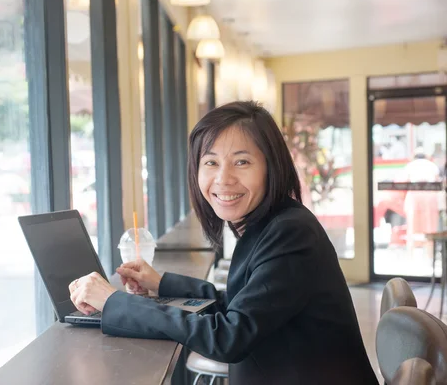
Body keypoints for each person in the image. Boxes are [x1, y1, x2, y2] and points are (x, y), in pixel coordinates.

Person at [68, 101, 379, 384]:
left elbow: (230, 336)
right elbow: (237, 305)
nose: (223, 179)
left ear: (271, 167)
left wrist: (114, 302)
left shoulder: (291, 233)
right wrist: (160, 283)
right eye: (211, 162)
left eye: (241, 162)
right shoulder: (270, 225)